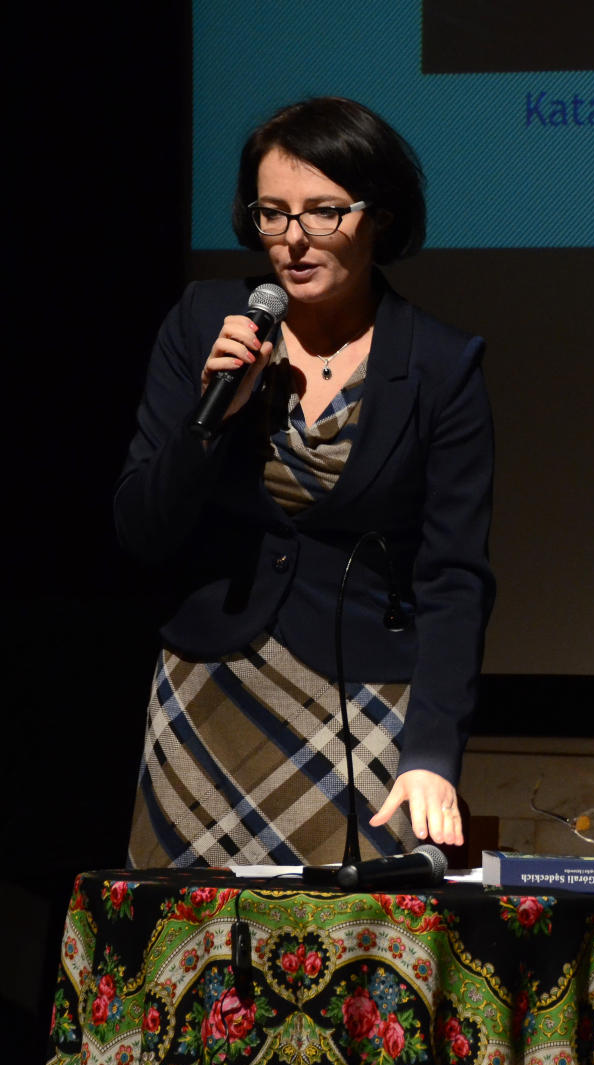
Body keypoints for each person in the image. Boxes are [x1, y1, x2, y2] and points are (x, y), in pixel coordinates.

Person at [118, 98, 494, 867]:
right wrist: (211, 419)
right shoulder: (204, 321)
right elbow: (141, 529)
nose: (294, 239)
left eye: (324, 213)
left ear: (379, 217)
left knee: (358, 936)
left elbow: (454, 578)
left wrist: (432, 750)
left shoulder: (440, 364)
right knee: (190, 933)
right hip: (209, 693)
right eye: (272, 214)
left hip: (363, 702)